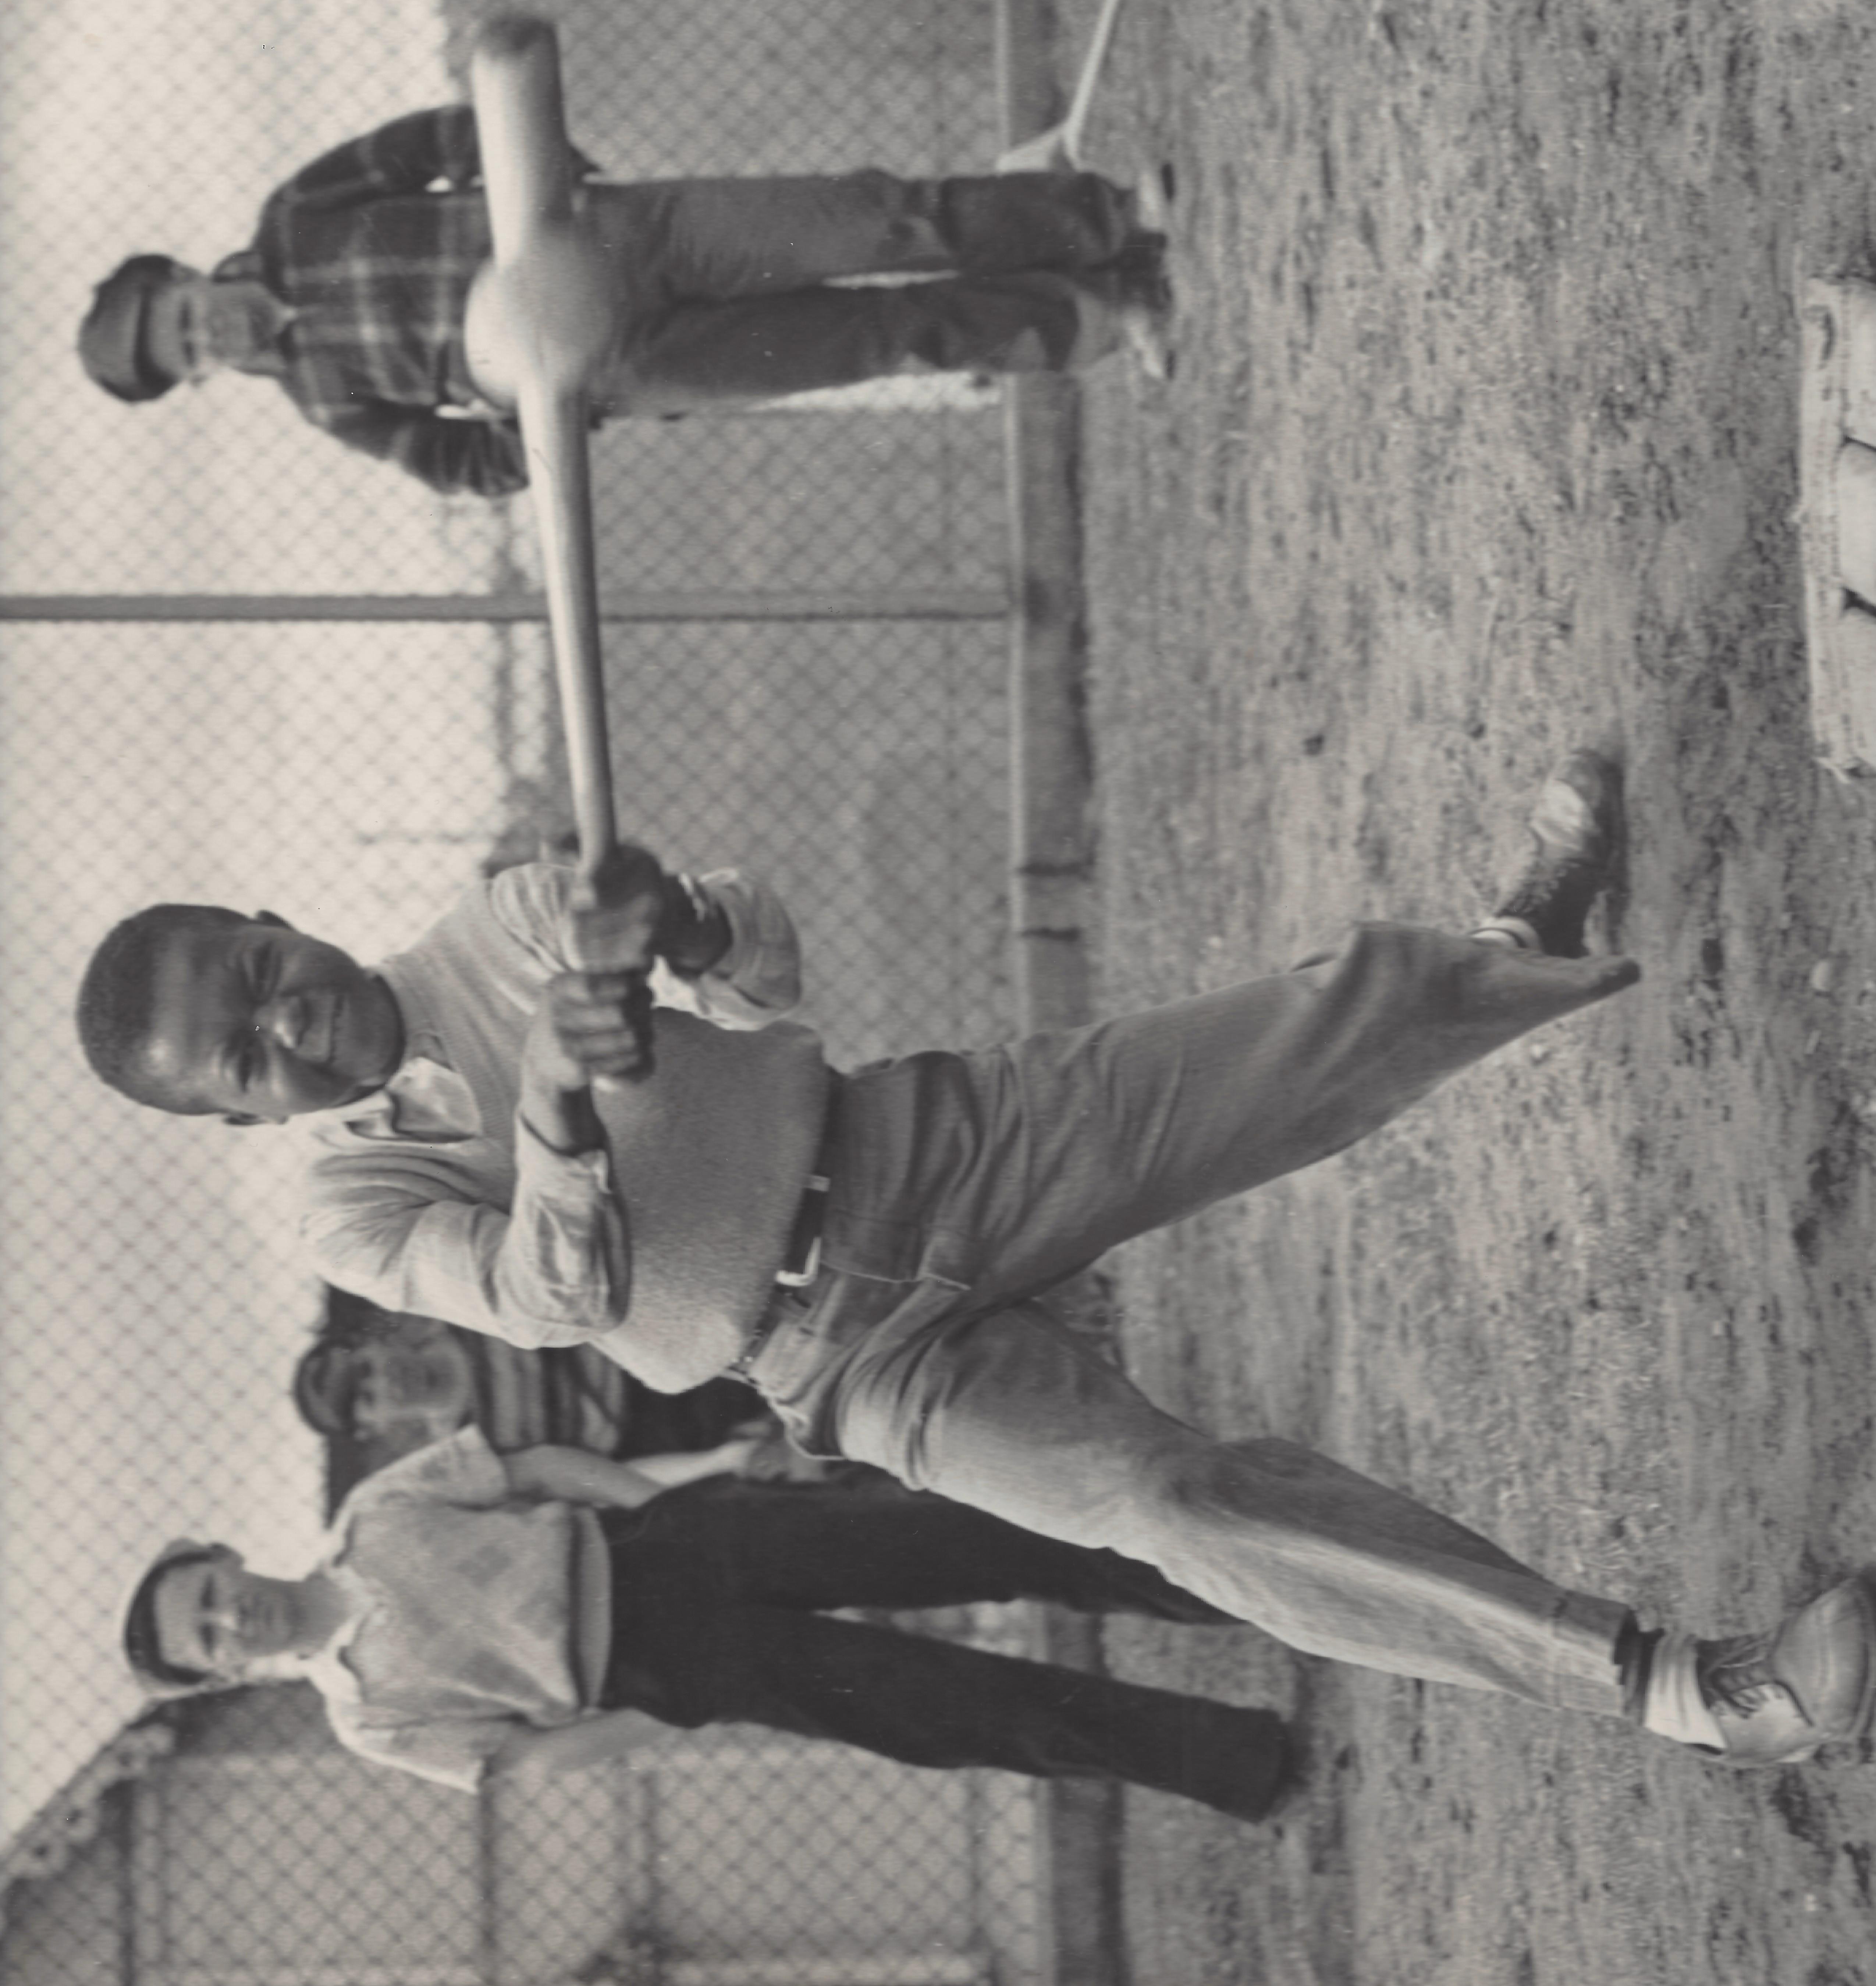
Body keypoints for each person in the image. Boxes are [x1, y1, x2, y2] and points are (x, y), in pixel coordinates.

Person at [78, 750, 1876, 1766]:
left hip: (931, 1145)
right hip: (857, 1364)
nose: (284, 1021)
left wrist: (686, 919)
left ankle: (1509, 947)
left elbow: (763, 975)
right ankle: (1695, 1688)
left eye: (258, 973)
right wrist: (553, 1098)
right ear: (237, 1116)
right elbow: (556, 1299)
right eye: (244, 1055)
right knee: (1174, 1508)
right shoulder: (355, 1211)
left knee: (1299, 1040)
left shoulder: (508, 922)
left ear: (273, 921)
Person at [76, 24, 1173, 498]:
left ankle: (1112, 215)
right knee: (885, 337)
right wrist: (547, 413)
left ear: (184, 274)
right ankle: (1108, 315)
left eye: (184, 313)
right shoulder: (326, 398)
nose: (206, 333)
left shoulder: (296, 215)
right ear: (201, 376)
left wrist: (554, 182)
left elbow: (435, 140)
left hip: (622, 235)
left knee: (879, 220)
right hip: (629, 366)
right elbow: (458, 464)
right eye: (189, 354)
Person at [120, 1420, 1294, 1820]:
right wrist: (669, 1706)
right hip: (674, 1663)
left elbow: (539, 1465)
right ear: (228, 1673)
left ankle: (1242, 1581)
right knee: (962, 1709)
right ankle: (1239, 1757)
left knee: (966, 1538)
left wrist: (664, 1507)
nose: (230, 1617)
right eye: (210, 1639)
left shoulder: (373, 1510)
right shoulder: (369, 1717)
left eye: (208, 1593)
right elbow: (522, 1757)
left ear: (223, 1556)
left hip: (683, 1543)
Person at [292, 1314, 758, 1467]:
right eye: (370, 1398)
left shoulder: (467, 1318)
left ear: (375, 1341)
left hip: (647, 1342)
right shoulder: (468, 1447)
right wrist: (718, 1459)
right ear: (374, 1428)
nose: (389, 1382)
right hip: (662, 1431)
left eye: (368, 1368)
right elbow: (606, 1474)